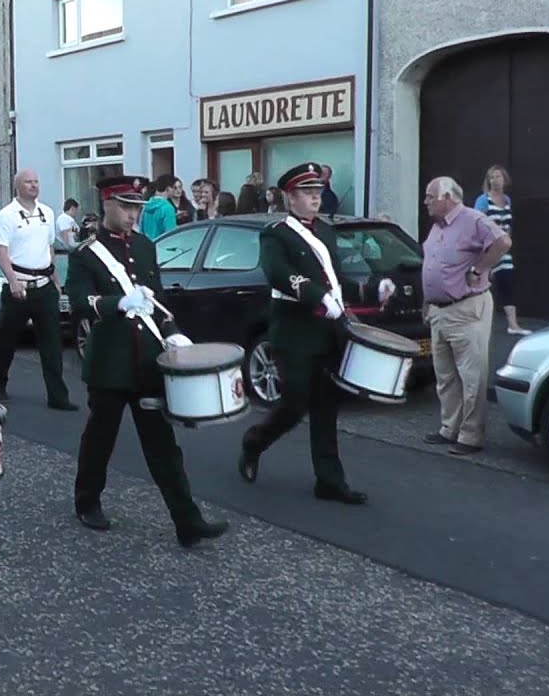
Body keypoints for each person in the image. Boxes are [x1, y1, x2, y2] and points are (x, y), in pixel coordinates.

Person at [65, 175, 229, 545]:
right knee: (100, 439)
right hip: (110, 363)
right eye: (125, 206)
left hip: (147, 361)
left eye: (136, 207)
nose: (132, 214)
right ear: (107, 204)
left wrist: (172, 330)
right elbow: (78, 301)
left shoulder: (143, 245)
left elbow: (155, 299)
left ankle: (187, 521)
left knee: (163, 445)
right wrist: (117, 303)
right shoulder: (86, 254)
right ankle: (87, 500)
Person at [238, 162, 367, 505]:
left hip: (327, 331)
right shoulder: (276, 234)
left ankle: (330, 481)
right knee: (294, 404)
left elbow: (334, 279)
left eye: (317, 192)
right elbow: (279, 274)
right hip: (294, 332)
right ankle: (254, 442)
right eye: (307, 192)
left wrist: (368, 289)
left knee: (326, 407)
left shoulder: (325, 231)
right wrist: (318, 296)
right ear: (290, 197)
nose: (315, 198)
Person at [420, 176, 511, 455]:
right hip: (439, 310)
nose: (425, 201)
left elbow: (503, 242)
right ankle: (450, 428)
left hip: (466, 308)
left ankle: (470, 435)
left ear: (447, 198)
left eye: (430, 196)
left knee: (472, 376)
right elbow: (433, 265)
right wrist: (427, 302)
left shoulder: (473, 219)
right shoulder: (437, 227)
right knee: (445, 375)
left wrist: (478, 269)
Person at [0, 168, 76, 410]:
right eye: (28, 182)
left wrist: (55, 280)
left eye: (36, 181)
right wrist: (12, 280)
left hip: (44, 287)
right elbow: (1, 252)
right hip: (19, 287)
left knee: (52, 344)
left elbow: (49, 248)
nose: (34, 185)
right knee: (7, 340)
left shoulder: (47, 212)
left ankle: (58, 397)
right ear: (18, 186)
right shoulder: (7, 215)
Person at [474, 165, 529, 335]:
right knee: (482, 285)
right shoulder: (483, 200)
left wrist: (507, 241)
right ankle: (479, 324)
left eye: (498, 176)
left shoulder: (507, 200)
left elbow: (507, 225)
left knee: (507, 279)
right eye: (491, 177)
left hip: (502, 249)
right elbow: (477, 224)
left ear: (504, 180)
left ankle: (513, 324)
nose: (495, 180)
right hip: (487, 248)